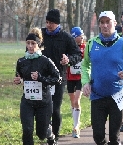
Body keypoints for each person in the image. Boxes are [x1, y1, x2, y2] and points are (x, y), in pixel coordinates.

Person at [81, 11, 123, 145]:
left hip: (117, 97)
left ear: (115, 23)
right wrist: (85, 82)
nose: (105, 25)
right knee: (98, 136)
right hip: (97, 96)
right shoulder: (91, 44)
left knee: (114, 138)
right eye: (102, 22)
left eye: (108, 22)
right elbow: (85, 65)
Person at [13, 27, 61, 145]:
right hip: (28, 101)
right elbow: (19, 76)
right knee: (27, 130)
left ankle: (50, 135)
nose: (30, 46)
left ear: (38, 45)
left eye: (33, 43)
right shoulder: (21, 61)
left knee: (41, 134)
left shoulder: (46, 61)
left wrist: (41, 78)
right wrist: (19, 80)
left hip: (44, 102)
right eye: (28, 43)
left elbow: (58, 78)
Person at [41, 9, 82, 144]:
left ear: (57, 23)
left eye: (51, 23)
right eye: (47, 22)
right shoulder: (41, 35)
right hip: (41, 78)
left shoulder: (65, 37)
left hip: (59, 78)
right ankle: (45, 131)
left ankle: (55, 136)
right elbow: (30, 48)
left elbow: (77, 54)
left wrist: (68, 60)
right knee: (43, 108)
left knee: (55, 108)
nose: (48, 25)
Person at [66, 27, 86, 138]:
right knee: (72, 101)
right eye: (79, 35)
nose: (81, 37)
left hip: (80, 78)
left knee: (77, 100)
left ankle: (76, 127)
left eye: (82, 35)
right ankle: (75, 123)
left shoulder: (86, 47)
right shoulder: (69, 48)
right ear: (74, 37)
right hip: (70, 78)